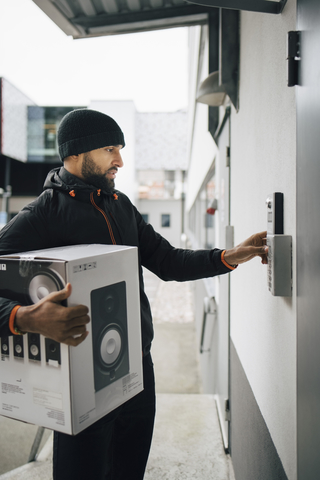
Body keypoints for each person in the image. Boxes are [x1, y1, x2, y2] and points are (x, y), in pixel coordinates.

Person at [0, 109, 268, 480]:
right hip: (82, 376)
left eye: (120, 149)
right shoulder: (40, 215)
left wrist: (228, 256)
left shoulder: (120, 204)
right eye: (110, 148)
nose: (120, 161)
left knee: (130, 471)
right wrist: (25, 318)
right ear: (75, 153)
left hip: (137, 368)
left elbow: (168, 260)